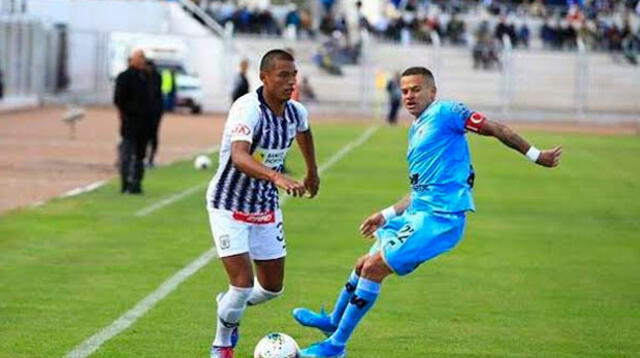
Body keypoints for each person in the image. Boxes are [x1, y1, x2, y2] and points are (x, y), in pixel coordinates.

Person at [293, 66, 563, 357]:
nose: (408, 96)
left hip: (440, 219)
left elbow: (496, 128)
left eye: (415, 90)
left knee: (373, 269)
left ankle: (336, 347)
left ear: (432, 92)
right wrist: (386, 214)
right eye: (405, 90)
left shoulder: (447, 112)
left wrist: (536, 155)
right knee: (363, 263)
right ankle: (333, 322)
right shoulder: (416, 126)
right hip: (419, 212)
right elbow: (422, 189)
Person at [206, 49, 320, 358]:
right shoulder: (247, 109)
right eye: (283, 75)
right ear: (264, 77)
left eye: (293, 75)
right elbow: (240, 156)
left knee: (271, 289)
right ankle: (222, 345)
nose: (290, 81)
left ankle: (226, 304)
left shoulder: (296, 111)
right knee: (242, 285)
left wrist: (312, 172)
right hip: (229, 204)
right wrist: (277, 177)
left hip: (265, 207)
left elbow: (305, 134)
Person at [113, 49, 153, 194]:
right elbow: (118, 100)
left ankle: (137, 182)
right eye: (140, 57)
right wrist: (127, 114)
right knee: (127, 153)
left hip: (145, 123)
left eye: (143, 57)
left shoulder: (146, 77)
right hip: (130, 122)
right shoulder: (124, 77)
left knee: (140, 155)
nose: (142, 60)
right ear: (132, 59)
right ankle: (125, 183)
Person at [145, 60, 164, 168]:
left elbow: (155, 93)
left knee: (153, 135)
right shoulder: (142, 77)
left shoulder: (156, 77)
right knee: (144, 136)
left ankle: (151, 158)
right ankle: (144, 157)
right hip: (145, 111)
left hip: (154, 111)